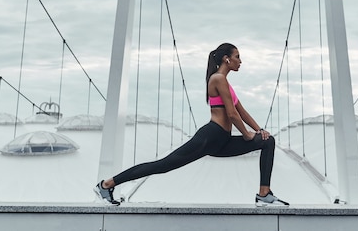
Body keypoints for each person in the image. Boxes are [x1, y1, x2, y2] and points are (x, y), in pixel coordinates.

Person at [94, 42, 288, 206]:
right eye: (237, 56)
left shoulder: (225, 83)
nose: (240, 61)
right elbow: (232, 114)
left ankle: (264, 194)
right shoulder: (218, 79)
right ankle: (106, 185)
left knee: (267, 141)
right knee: (162, 166)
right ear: (226, 59)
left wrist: (259, 130)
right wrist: (247, 135)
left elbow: (241, 111)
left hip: (222, 140)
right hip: (210, 137)